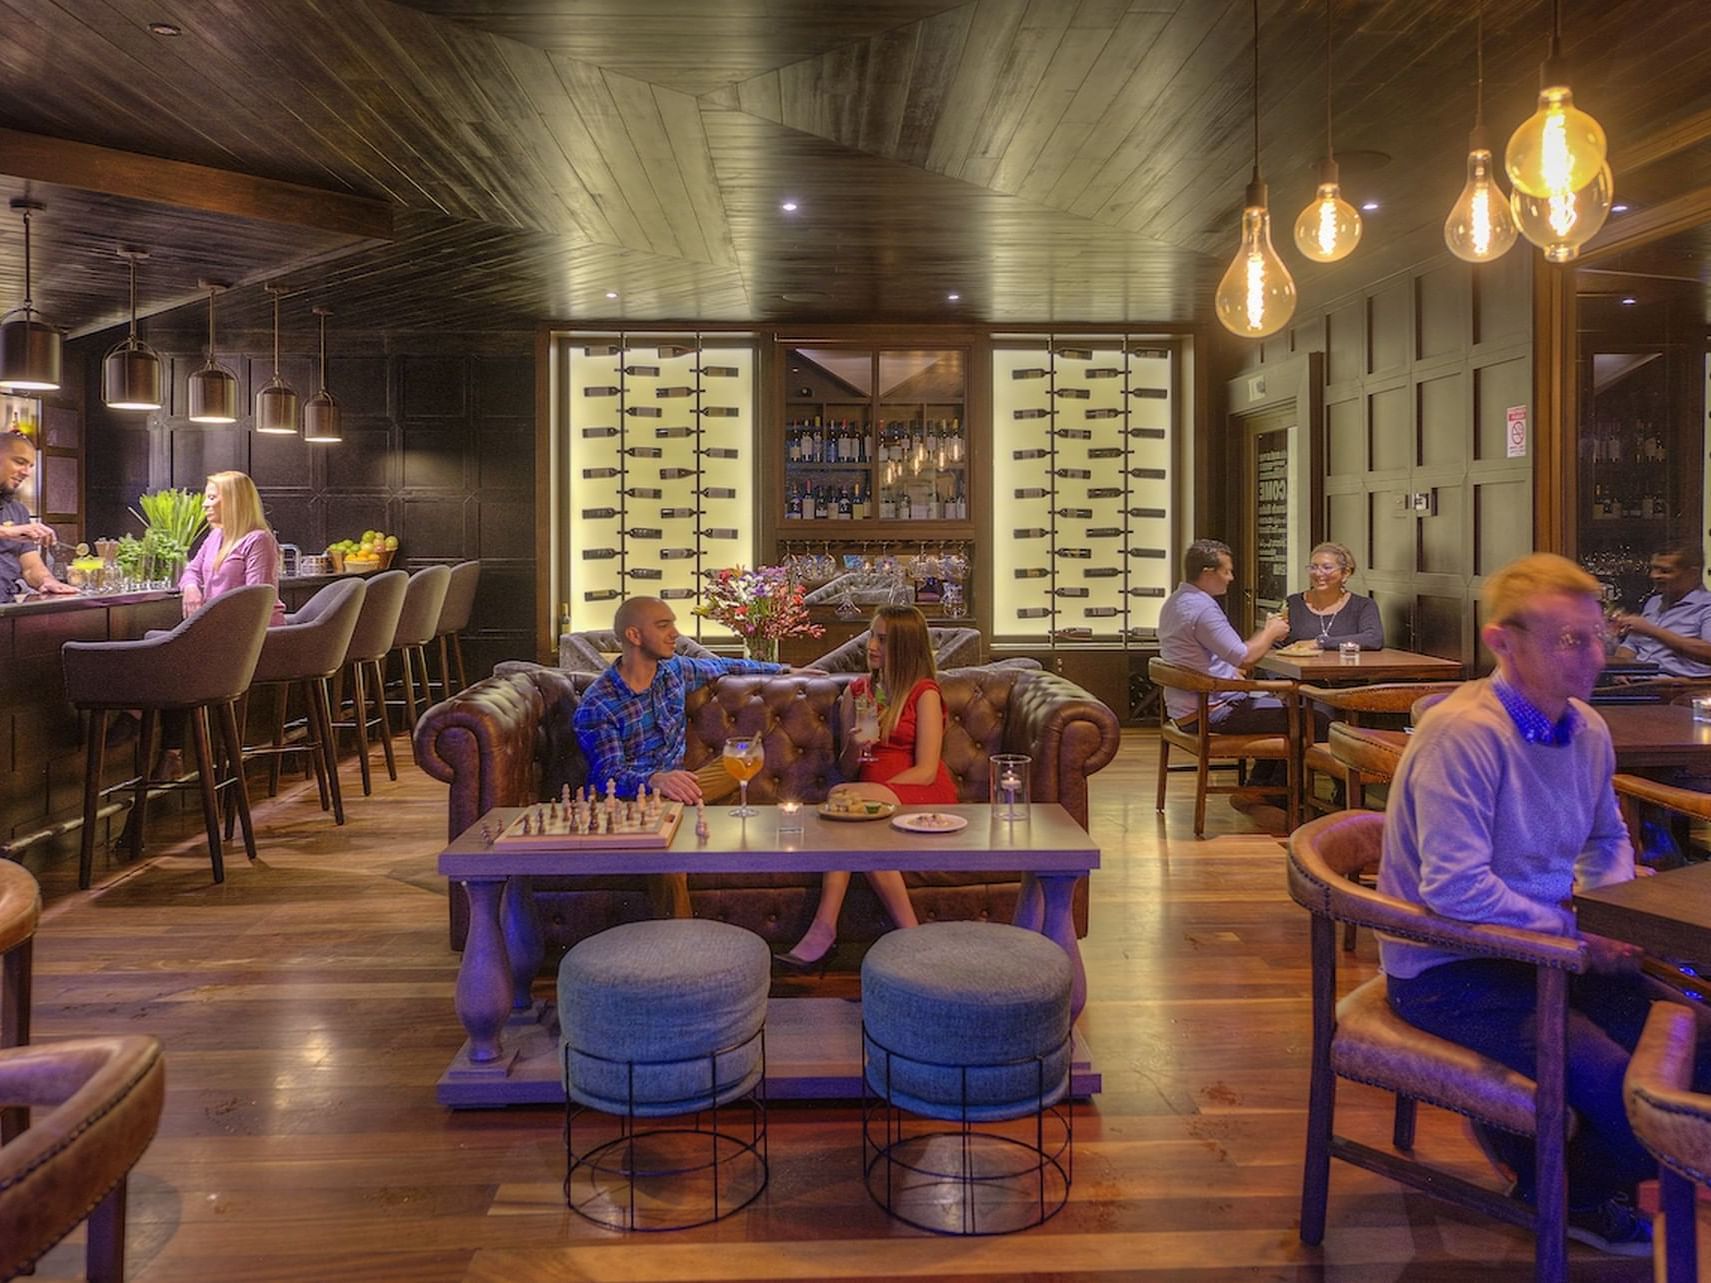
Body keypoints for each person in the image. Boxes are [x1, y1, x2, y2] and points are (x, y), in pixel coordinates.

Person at [1379, 551, 1711, 1258]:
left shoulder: (1585, 728)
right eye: (1570, 640)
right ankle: (1566, 1190)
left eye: (1597, 636)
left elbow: (1605, 835)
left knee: (1695, 1044)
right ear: (1502, 640)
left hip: (1549, 947)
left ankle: (1549, 1159)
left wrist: (1608, 910)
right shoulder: (1464, 733)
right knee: (1632, 1094)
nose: (1594, 655)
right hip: (1449, 966)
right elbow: (1454, 889)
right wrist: (1575, 930)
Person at [572, 596, 799, 917]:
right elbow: (606, 775)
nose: (675, 633)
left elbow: (727, 665)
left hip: (684, 787)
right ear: (634, 636)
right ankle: (680, 944)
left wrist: (788, 670)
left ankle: (683, 814)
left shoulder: (674, 670)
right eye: (663, 625)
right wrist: (654, 780)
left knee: (743, 761)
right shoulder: (599, 704)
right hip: (634, 803)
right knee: (667, 855)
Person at [776, 605, 948, 970]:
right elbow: (847, 768)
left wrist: (880, 790)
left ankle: (825, 931)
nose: (870, 645)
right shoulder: (858, 691)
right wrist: (855, 746)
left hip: (917, 790)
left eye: (882, 639)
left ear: (904, 645)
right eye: (872, 635)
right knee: (849, 810)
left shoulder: (924, 693)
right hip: (868, 796)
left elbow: (927, 770)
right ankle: (907, 938)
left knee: (844, 803)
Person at [154, 471, 286, 779]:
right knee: (168, 651)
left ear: (235, 502)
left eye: (213, 497)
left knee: (172, 652)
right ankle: (169, 751)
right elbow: (191, 570)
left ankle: (144, 727)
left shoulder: (258, 540)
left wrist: (213, 628)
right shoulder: (216, 537)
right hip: (219, 635)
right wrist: (190, 588)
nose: (205, 504)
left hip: (252, 639)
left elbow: (256, 602)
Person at [1157, 538, 1293, 785]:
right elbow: (1245, 656)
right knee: (1311, 717)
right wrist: (1271, 632)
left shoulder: (1176, 601)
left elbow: (1230, 655)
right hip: (1210, 711)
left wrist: (1260, 639)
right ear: (1208, 573)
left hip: (1185, 709)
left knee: (1282, 706)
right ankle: (1273, 797)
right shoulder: (1203, 608)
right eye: (1227, 571)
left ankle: (1259, 789)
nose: (1231, 578)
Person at [1613, 541, 1711, 677]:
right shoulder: (1654, 602)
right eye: (1653, 568)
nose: (1654, 576)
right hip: (1635, 686)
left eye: (1665, 571)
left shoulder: (1707, 606)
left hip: (1677, 690)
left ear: (1692, 574)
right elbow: (1630, 645)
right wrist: (1620, 671)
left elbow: (1708, 652)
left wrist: (1651, 631)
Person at [0, 430, 76, 604]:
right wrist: (7, 532)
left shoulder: (18, 510)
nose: (26, 472)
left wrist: (47, 580)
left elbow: (30, 567)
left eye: (30, 466)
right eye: (20, 462)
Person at [1283, 541, 1383, 650]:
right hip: (1300, 666)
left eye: (1327, 568)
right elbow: (1276, 644)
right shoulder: (1293, 603)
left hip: (1347, 666)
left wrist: (1319, 643)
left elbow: (1373, 639)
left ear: (1345, 573)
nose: (1318, 573)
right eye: (1313, 567)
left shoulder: (1363, 605)